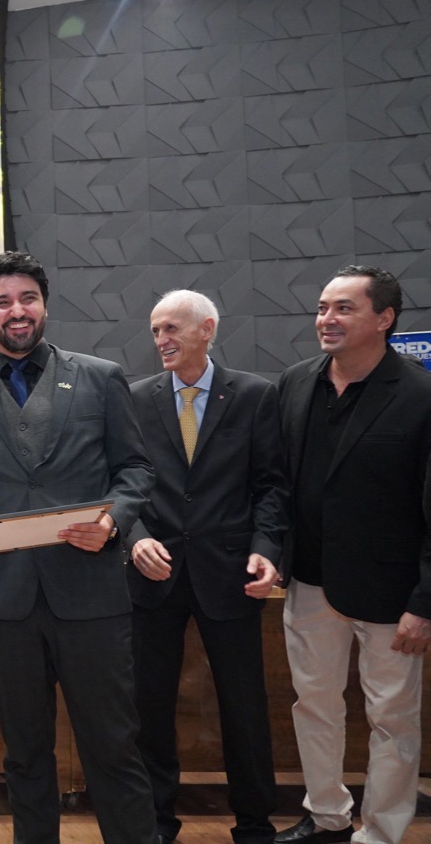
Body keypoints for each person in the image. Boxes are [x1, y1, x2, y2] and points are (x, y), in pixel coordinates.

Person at [0, 251, 157, 844]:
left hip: (91, 596)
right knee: (25, 754)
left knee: (113, 747)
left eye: (27, 298)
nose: (17, 311)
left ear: (45, 306)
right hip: (4, 603)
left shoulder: (101, 377)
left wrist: (112, 521)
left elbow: (134, 471)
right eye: (2, 302)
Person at [273, 264, 431, 844]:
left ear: (384, 318)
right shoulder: (294, 383)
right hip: (309, 582)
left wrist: (425, 601)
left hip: (393, 594)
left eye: (344, 308)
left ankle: (382, 832)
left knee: (392, 719)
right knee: (313, 706)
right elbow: (276, 483)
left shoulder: (421, 394)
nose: (327, 319)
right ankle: (327, 817)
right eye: (322, 308)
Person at [127, 290, 288, 844]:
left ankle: (254, 822)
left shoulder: (255, 395)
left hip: (230, 573)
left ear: (207, 329)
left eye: (171, 328)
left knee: (244, 706)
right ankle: (155, 821)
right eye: (155, 331)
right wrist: (135, 538)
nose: (161, 340)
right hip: (153, 575)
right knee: (149, 706)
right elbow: (121, 484)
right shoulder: (135, 398)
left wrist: (267, 547)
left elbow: (271, 485)